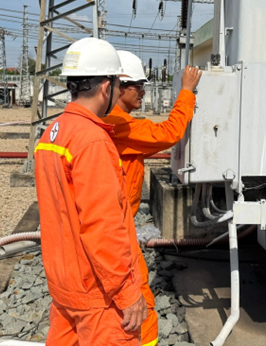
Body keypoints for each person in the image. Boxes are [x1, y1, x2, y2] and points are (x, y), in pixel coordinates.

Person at [35, 38, 147, 346]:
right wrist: (127, 293)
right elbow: (103, 226)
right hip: (97, 293)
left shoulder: (52, 133)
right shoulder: (92, 141)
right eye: (118, 84)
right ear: (106, 88)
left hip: (64, 284)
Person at [103, 51, 202, 346]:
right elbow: (168, 133)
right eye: (138, 86)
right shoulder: (118, 124)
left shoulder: (111, 120)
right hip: (115, 226)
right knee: (137, 289)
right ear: (118, 86)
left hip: (114, 220)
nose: (143, 92)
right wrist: (187, 92)